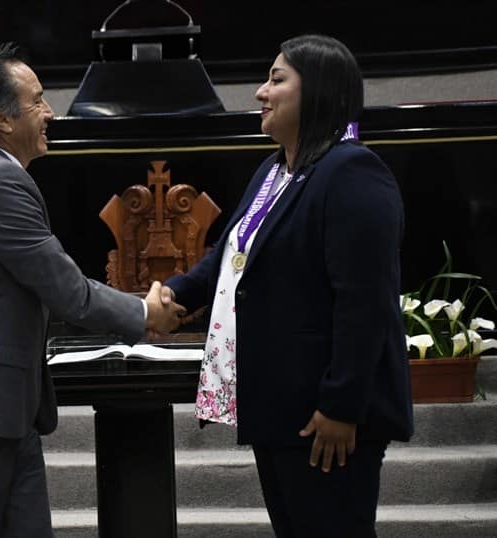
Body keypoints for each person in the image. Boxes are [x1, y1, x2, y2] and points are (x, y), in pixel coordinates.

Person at [0, 42, 184, 538]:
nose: (49, 113)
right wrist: (145, 311)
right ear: (1, 118)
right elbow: (68, 291)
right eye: (38, 101)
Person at [163, 34, 414, 537]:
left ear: (317, 91)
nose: (260, 92)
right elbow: (232, 257)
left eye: (277, 80)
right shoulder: (277, 169)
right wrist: (172, 296)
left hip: (326, 418)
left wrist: (341, 406)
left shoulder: (352, 171)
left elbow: (364, 303)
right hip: (280, 407)